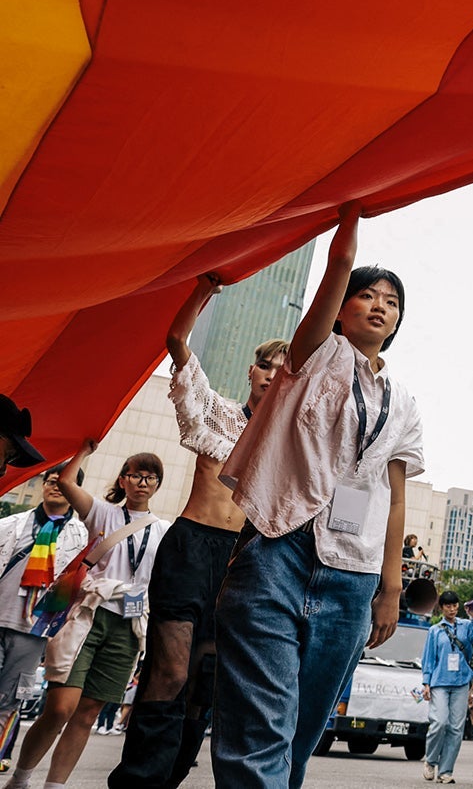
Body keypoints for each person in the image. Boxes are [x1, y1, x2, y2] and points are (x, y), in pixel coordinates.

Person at [209, 205, 425, 789]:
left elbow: (394, 498)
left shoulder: (403, 401)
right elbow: (339, 266)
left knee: (301, 738)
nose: (380, 305)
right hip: (278, 550)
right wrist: (352, 210)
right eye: (368, 295)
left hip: (352, 575)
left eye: (392, 301)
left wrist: (390, 588)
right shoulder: (312, 356)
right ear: (342, 307)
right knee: (261, 732)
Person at [109, 274, 289, 789]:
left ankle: (170, 777)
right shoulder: (215, 412)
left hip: (241, 563)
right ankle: (138, 780)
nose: (271, 375)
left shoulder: (285, 440)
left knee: (203, 686)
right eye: (266, 366)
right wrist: (205, 288)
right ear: (252, 370)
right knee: (169, 671)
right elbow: (176, 344)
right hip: (191, 548)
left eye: (282, 371)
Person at [6, 442, 168, 789]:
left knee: (88, 712)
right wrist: (84, 450)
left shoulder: (163, 529)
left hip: (129, 622)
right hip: (88, 615)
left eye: (151, 477)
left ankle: (55, 785)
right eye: (136, 475)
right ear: (123, 480)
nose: (143, 482)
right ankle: (21, 777)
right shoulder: (103, 512)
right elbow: (65, 482)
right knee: (60, 708)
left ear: (157, 485)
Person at [0, 467, 87, 766]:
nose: (56, 487)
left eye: (65, 484)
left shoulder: (82, 536)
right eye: (51, 481)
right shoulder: (11, 523)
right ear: (43, 486)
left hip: (33, 629)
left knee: (9, 699)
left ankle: (0, 754)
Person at [420, 590, 473, 783]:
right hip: (439, 682)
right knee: (439, 722)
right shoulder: (435, 630)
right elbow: (429, 659)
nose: (452, 608)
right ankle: (431, 760)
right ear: (441, 608)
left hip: (461, 682)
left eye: (454, 605)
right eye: (448, 605)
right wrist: (426, 683)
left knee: (456, 728)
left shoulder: (466, 626)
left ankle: (446, 771)